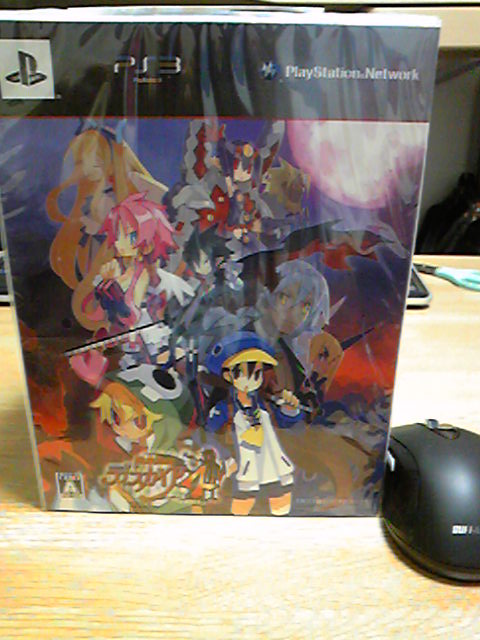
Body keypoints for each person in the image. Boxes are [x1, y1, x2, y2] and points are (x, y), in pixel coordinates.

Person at [204, 331, 303, 516]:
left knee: (281, 503)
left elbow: (286, 422)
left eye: (257, 373)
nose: (252, 380)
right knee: (242, 505)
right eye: (245, 373)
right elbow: (210, 436)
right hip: (245, 465)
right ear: (228, 376)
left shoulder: (266, 404)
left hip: (272, 463)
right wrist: (226, 459)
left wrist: (289, 408)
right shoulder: (225, 409)